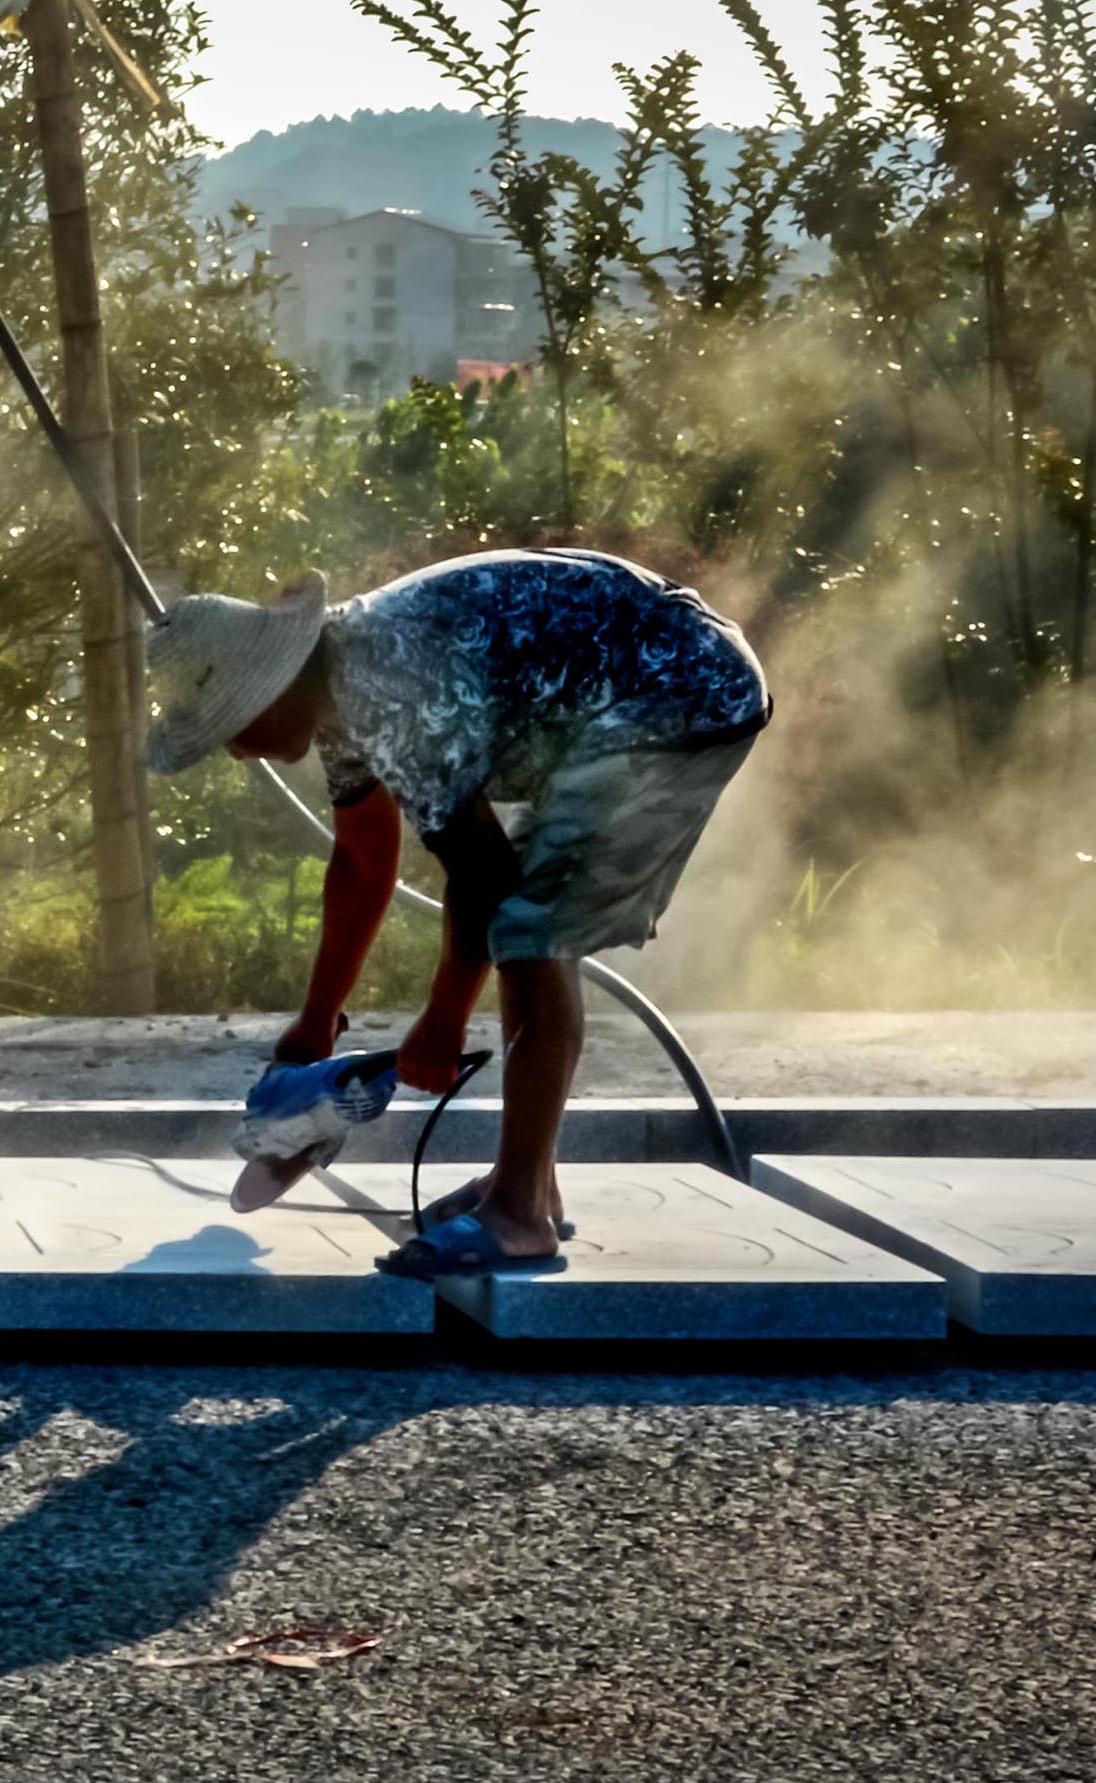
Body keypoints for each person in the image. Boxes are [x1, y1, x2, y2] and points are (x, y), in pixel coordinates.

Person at [139, 547, 769, 1276]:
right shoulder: (337, 690)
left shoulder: (387, 687)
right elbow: (363, 862)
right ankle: (528, 1186)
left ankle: (520, 1216)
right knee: (527, 920)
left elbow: (480, 876)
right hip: (634, 695)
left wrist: (442, 1021)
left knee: (532, 927)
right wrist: (315, 1024)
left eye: (227, 728)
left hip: (677, 692)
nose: (235, 753)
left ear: (266, 690)